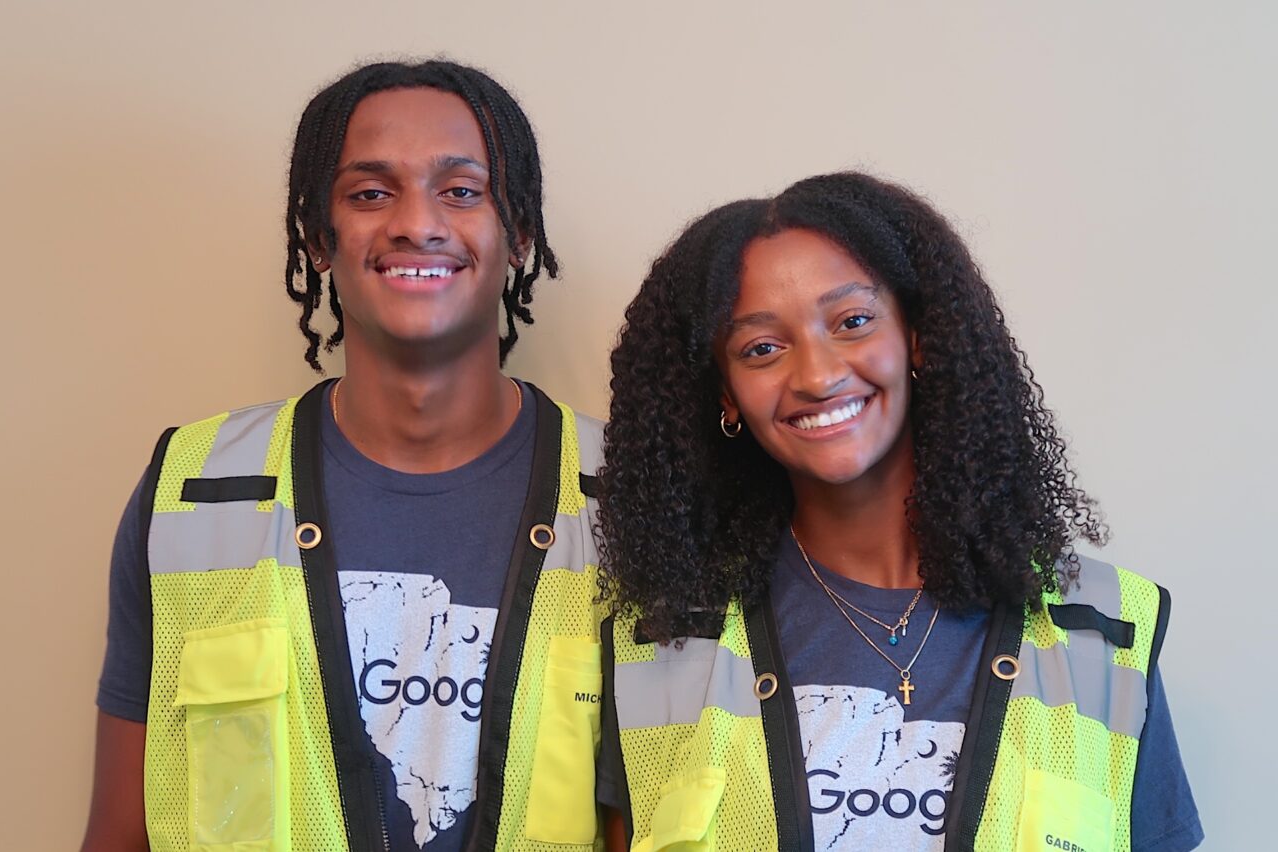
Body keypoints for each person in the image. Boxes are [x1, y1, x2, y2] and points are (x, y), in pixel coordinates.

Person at [82, 60, 607, 852]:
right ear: (319, 238)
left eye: (462, 190)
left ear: (520, 233)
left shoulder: (625, 500)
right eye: (370, 193)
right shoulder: (195, 494)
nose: (415, 223)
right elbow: (122, 832)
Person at [594, 173, 1202, 851]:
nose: (818, 375)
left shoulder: (1104, 630)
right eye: (762, 348)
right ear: (727, 395)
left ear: (918, 338)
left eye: (852, 322)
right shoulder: (663, 640)